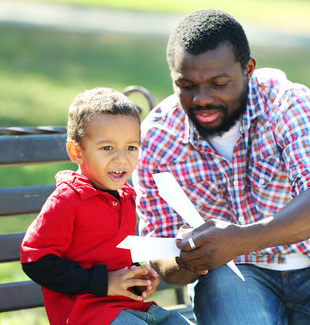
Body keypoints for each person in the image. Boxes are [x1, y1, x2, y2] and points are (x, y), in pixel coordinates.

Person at [133, 9, 310, 324]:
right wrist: (186, 260)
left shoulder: (285, 101)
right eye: (186, 85)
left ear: (248, 69)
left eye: (219, 83)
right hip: (231, 276)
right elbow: (160, 250)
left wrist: (240, 239)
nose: (202, 99)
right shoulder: (157, 137)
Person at [20, 88, 192, 325]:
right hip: (86, 314)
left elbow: (114, 255)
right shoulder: (68, 199)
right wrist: (104, 282)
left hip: (131, 307)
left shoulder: (125, 198)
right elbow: (36, 261)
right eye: (107, 148)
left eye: (131, 147)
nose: (122, 159)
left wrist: (136, 275)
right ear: (76, 152)